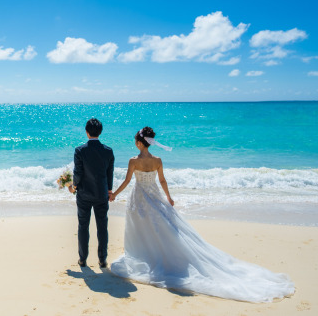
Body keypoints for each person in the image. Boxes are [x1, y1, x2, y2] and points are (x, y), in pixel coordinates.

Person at [109, 127, 295, 303]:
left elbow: (127, 181)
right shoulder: (157, 160)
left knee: (141, 227)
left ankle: (144, 256)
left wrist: (115, 194)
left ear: (140, 143)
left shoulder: (134, 161)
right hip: (155, 196)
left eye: (136, 141)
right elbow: (163, 180)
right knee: (159, 227)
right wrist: (169, 197)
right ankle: (152, 254)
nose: (135, 144)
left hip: (140, 197)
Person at [70, 118, 115, 268]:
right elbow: (110, 173)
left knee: (83, 225)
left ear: (86, 132)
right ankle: (102, 259)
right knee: (102, 226)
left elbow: (78, 173)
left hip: (84, 194)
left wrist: (73, 186)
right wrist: (109, 190)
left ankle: (82, 259)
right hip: (101, 194)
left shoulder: (80, 150)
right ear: (100, 132)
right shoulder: (108, 151)